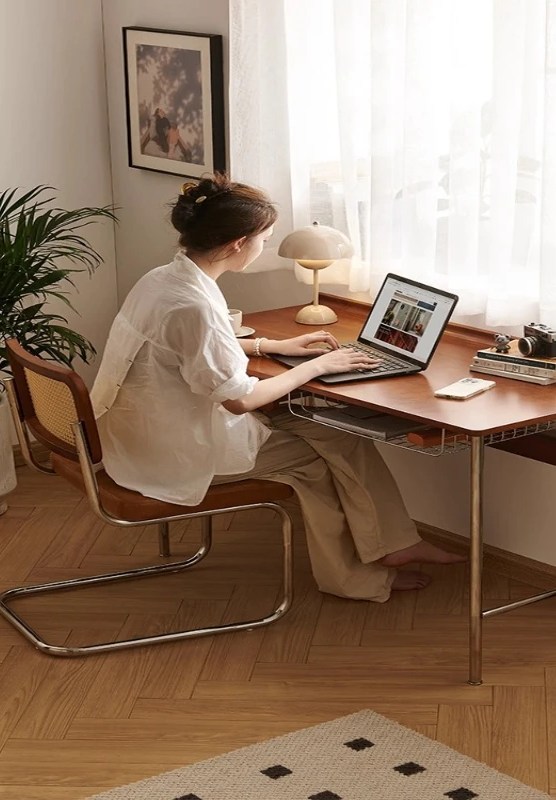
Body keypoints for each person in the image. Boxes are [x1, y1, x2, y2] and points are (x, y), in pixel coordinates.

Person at [91, 174, 464, 603]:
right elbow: (240, 400)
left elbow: (186, 349)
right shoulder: (193, 303)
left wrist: (270, 345)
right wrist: (319, 364)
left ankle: (396, 547)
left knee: (331, 431)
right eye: (264, 239)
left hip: (137, 434)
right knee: (316, 461)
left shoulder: (164, 280)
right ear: (237, 243)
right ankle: (357, 577)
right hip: (172, 452)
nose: (264, 247)